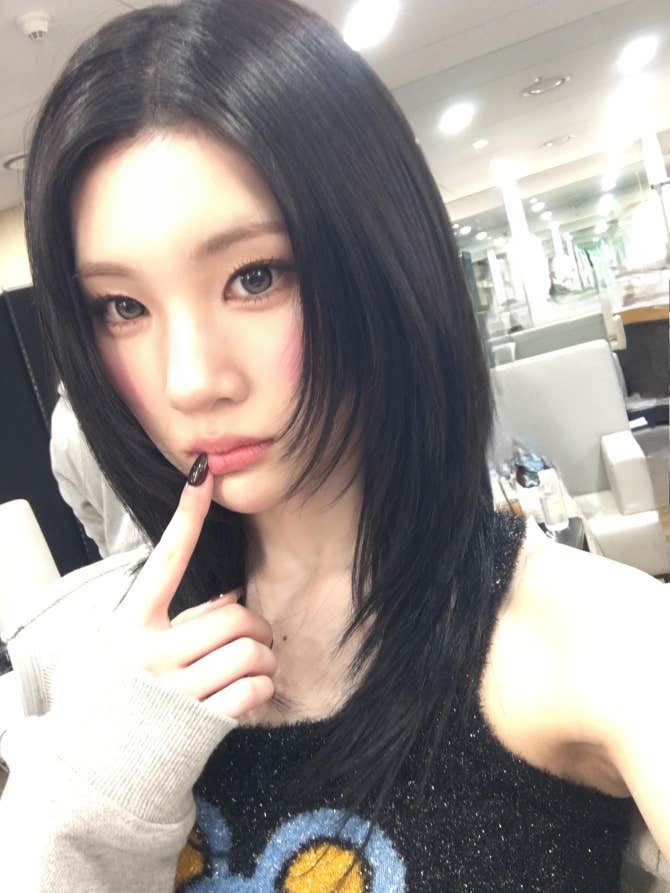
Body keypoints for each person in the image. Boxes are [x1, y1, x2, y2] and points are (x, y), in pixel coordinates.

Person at [0, 1, 667, 890]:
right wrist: (102, 782)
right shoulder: (93, 653)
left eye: (255, 277)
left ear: (383, 262)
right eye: (123, 307)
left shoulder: (589, 637)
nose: (189, 379)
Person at [50, 380, 149, 557]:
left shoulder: (61, 426)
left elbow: (92, 521)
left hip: (127, 563)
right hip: (180, 547)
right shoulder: (137, 386)